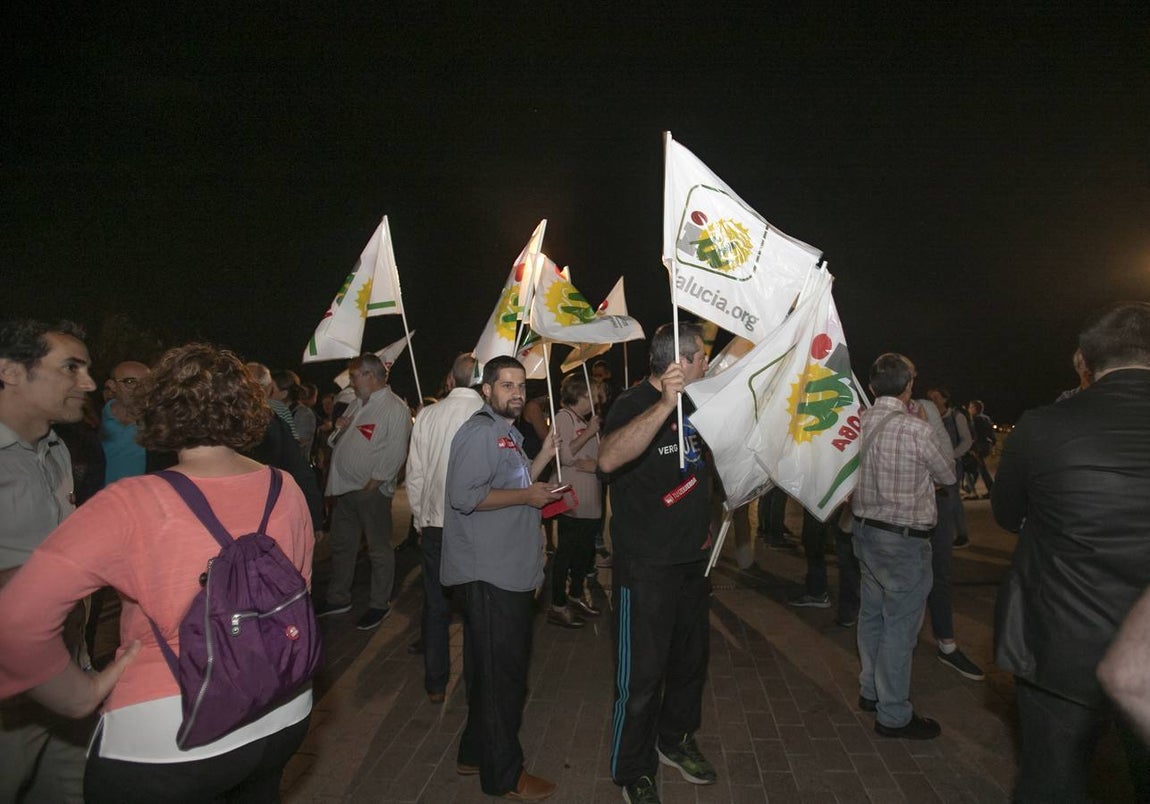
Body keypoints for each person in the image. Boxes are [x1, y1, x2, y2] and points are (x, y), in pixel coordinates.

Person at [0, 342, 315, 803]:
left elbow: (17, 622)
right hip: (281, 712)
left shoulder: (131, 502)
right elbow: (295, 594)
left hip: (171, 733)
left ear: (159, 408)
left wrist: (78, 696)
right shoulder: (283, 488)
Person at [993, 302, 1150, 802]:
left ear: (1082, 361)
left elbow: (1005, 514)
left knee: (1051, 778)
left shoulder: (1041, 427)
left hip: (1060, 639)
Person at [597, 322, 716, 803]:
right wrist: (665, 403)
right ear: (680, 362)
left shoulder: (699, 402)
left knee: (690, 666)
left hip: (693, 562)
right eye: (702, 356)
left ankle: (676, 740)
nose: (707, 362)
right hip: (646, 567)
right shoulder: (632, 404)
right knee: (641, 678)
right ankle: (633, 770)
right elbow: (607, 460)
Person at [441, 355, 559, 801]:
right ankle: (504, 776)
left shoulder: (507, 433)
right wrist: (528, 495)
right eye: (506, 385)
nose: (515, 392)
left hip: (506, 569)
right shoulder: (480, 432)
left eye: (520, 386)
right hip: (488, 574)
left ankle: (474, 752)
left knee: (488, 673)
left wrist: (546, 454)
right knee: (502, 681)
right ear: (486, 389)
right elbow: (465, 497)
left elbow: (520, 479)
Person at [0, 318, 97, 802]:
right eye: (71, 368)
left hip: (68, 671)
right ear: (12, 371)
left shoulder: (57, 449)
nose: (89, 383)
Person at [851, 354, 954, 740]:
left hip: (864, 533)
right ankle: (893, 713)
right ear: (908, 387)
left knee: (872, 615)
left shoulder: (857, 424)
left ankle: (870, 690)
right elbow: (947, 474)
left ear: (873, 387)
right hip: (904, 541)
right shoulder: (917, 430)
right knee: (899, 627)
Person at [404, 353, 482, 702]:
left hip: (436, 523)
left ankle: (436, 682)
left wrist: (420, 519)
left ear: (451, 379)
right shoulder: (487, 416)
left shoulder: (429, 415)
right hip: (476, 524)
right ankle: (475, 682)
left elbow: (415, 474)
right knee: (475, 608)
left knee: (436, 605)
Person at [317, 353, 411, 630]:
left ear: (370, 375)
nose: (352, 382)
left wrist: (375, 482)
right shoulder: (357, 403)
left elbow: (396, 450)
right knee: (343, 545)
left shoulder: (395, 408)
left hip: (369, 491)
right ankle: (338, 598)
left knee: (378, 549)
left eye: (355, 376)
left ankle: (378, 604)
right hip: (344, 489)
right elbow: (336, 442)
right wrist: (337, 429)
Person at [547, 373, 603, 628]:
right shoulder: (563, 417)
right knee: (567, 553)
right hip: (574, 499)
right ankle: (557, 604)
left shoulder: (585, 419)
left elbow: (595, 458)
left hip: (591, 498)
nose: (596, 398)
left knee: (585, 552)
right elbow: (565, 456)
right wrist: (589, 432)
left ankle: (576, 595)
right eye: (592, 393)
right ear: (580, 395)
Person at [100, 360, 150, 484]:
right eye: (130, 382)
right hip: (97, 501)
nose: (140, 389)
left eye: (147, 383)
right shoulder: (91, 424)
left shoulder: (160, 426)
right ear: (112, 386)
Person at [965, 399, 995, 497]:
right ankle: (970, 488)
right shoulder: (986, 418)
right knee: (978, 467)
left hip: (979, 447)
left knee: (978, 468)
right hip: (987, 445)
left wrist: (973, 449)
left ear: (974, 408)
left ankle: (991, 489)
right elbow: (992, 435)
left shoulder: (975, 419)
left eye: (970, 407)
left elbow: (975, 435)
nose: (969, 409)